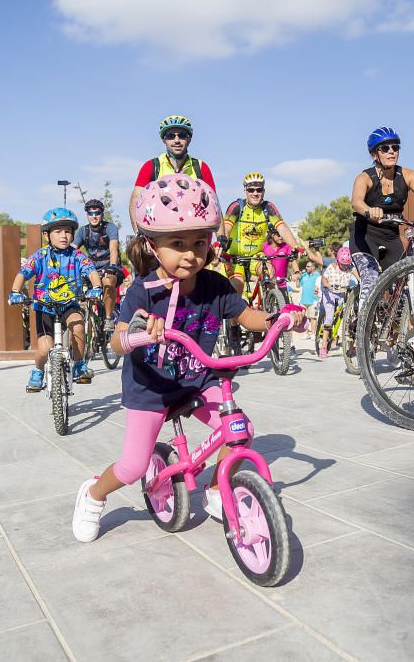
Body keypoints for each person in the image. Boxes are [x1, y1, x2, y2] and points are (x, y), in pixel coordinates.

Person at [71, 174, 304, 542]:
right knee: (133, 466)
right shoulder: (143, 290)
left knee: (238, 429)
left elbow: (247, 316)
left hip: (198, 377)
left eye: (200, 242)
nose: (191, 253)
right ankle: (94, 494)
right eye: (177, 243)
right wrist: (135, 331)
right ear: (151, 245)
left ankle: (215, 491)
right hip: (151, 387)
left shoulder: (215, 285)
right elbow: (117, 342)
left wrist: (281, 318)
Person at [8, 208, 104, 391]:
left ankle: (79, 364)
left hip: (70, 304)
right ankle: (37, 371)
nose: (64, 236)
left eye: (68, 231)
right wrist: (15, 291)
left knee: (78, 326)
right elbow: (23, 273)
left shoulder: (77, 256)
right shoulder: (40, 256)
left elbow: (91, 271)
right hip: (44, 307)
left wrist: (96, 288)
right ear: (47, 235)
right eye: (58, 231)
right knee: (45, 349)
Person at [351, 127, 414, 307]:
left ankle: (395, 332)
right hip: (365, 236)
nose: (391, 151)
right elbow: (356, 202)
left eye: (395, 147)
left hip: (391, 235)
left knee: (401, 287)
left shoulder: (407, 175)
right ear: (374, 154)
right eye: (384, 148)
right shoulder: (365, 178)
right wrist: (369, 210)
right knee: (370, 280)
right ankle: (361, 327)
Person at [128, 115, 216, 232]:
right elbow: (135, 201)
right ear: (164, 140)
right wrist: (138, 234)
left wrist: (220, 238)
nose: (177, 140)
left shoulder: (200, 167)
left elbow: (213, 204)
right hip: (162, 231)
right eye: (170, 136)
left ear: (189, 139)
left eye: (182, 136)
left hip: (194, 230)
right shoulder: (152, 166)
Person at [219, 173, 300, 297]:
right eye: (251, 189)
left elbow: (282, 227)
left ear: (264, 191)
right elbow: (227, 228)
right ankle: (234, 316)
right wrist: (222, 243)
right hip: (234, 257)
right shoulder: (236, 207)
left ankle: (270, 304)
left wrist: (296, 246)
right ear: (245, 191)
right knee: (238, 286)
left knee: (270, 272)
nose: (255, 193)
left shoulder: (268, 208)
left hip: (256, 256)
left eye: (259, 189)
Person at [73, 198, 122, 331]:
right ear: (87, 215)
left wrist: (112, 265)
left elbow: (113, 248)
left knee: (107, 281)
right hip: (92, 269)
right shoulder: (83, 231)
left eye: (97, 213)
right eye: (91, 213)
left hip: (109, 267)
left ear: (102, 214)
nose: (94, 216)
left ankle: (108, 319)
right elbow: (73, 248)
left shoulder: (110, 228)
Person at [318, 247, 358, 358]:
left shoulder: (351, 268)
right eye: (343, 264)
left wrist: (361, 282)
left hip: (342, 295)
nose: (345, 267)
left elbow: (358, 277)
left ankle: (351, 347)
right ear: (338, 261)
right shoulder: (332, 267)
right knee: (329, 319)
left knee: (352, 319)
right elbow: (324, 279)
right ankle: (324, 346)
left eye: (347, 265)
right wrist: (328, 285)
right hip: (329, 294)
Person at [298, 260, 322, 334]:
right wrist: (298, 278)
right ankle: (306, 333)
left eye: (308, 266)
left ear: (313, 267)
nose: (306, 268)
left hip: (313, 300)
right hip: (303, 300)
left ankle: (313, 334)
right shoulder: (304, 275)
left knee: (313, 318)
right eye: (306, 266)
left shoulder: (318, 276)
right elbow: (298, 285)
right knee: (304, 318)